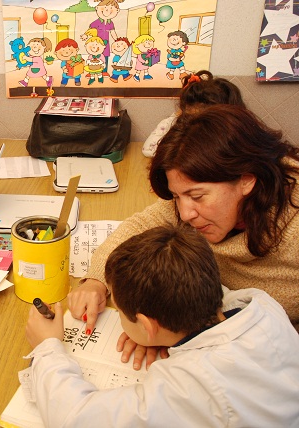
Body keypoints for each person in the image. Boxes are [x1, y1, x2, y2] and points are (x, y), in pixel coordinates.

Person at [68, 105, 299, 369]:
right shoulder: (192, 199)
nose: (186, 213)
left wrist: (182, 334)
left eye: (197, 196)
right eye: (177, 196)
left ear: (246, 181)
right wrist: (96, 281)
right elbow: (140, 225)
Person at [24, 225, 299, 427]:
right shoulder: (261, 305)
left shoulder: (190, 387)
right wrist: (155, 333)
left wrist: (48, 348)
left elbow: (74, 418)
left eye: (119, 312)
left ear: (147, 324)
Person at [142, 70, 245, 157]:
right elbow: (148, 150)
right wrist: (174, 118)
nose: (194, 128)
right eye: (187, 118)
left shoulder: (235, 143)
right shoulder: (180, 130)